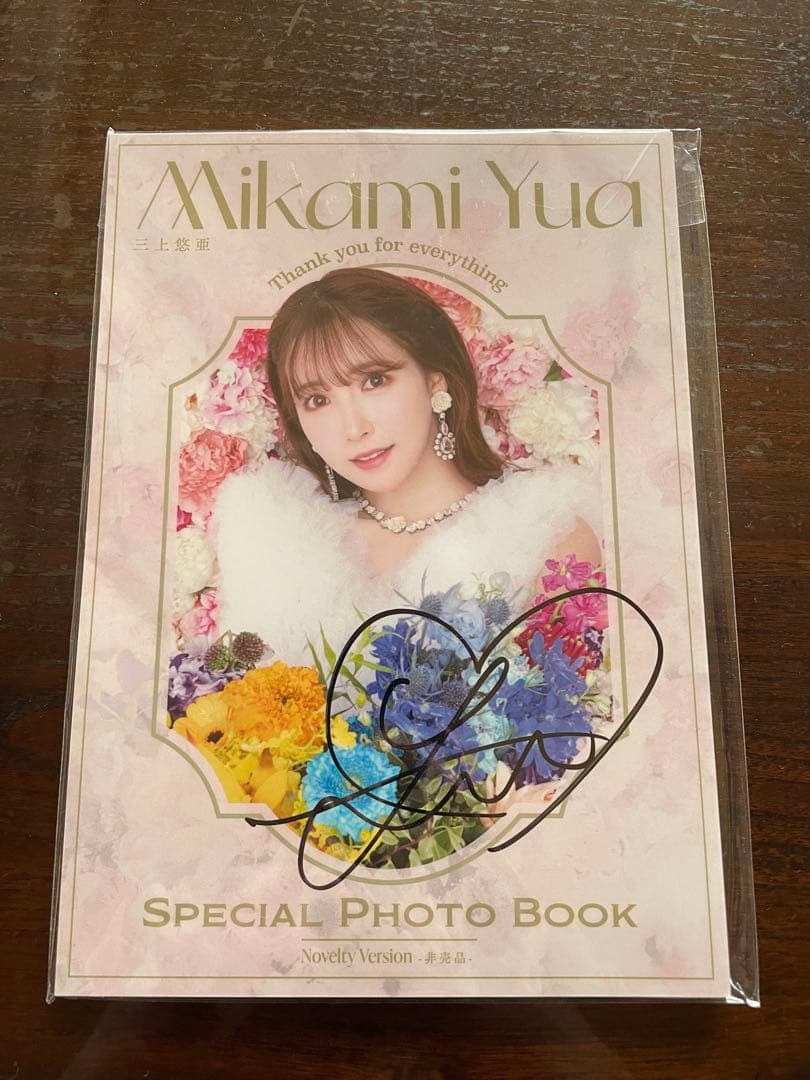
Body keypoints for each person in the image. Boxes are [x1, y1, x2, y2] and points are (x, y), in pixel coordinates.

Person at [212, 267, 601, 668]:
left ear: (435, 381)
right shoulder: (278, 548)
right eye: (317, 400)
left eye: (374, 380)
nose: (354, 428)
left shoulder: (545, 533)